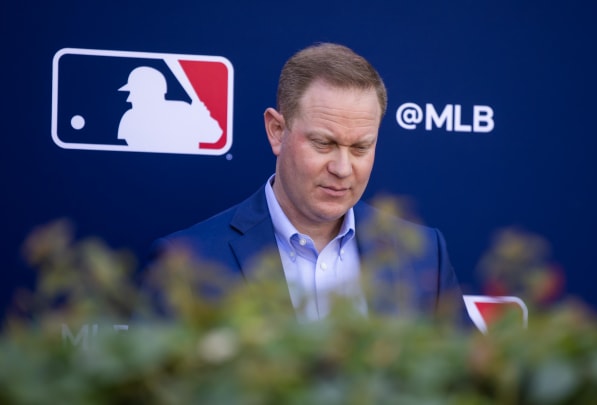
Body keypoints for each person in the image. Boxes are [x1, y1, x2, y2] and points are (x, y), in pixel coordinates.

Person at [152, 43, 463, 322]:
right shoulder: (188, 262)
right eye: (323, 143)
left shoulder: (425, 253)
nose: (342, 168)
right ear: (276, 131)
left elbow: (463, 380)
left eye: (360, 148)